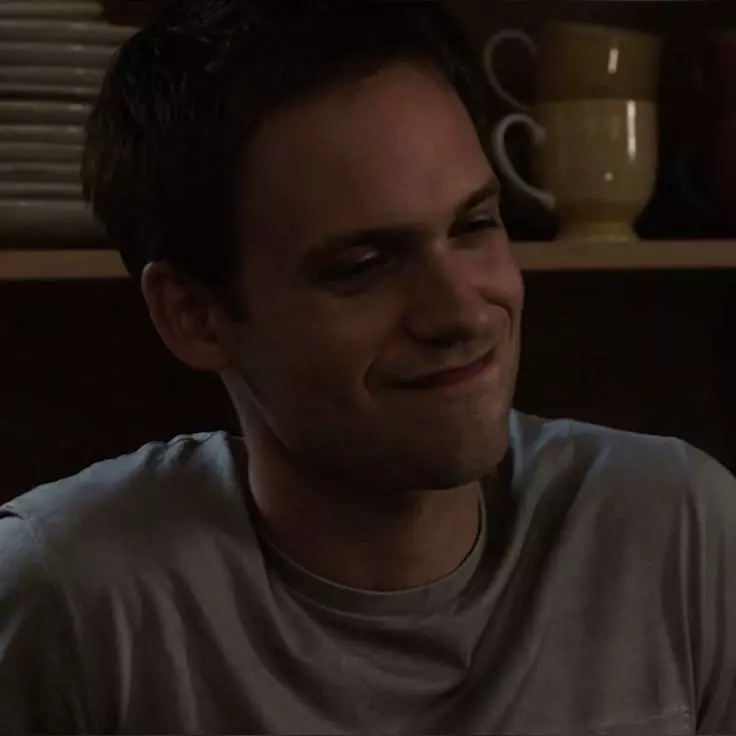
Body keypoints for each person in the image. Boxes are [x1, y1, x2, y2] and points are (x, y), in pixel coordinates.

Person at [1, 0, 734, 733]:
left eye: (475, 225)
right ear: (194, 314)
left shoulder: (678, 533)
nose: (462, 314)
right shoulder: (72, 600)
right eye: (363, 265)